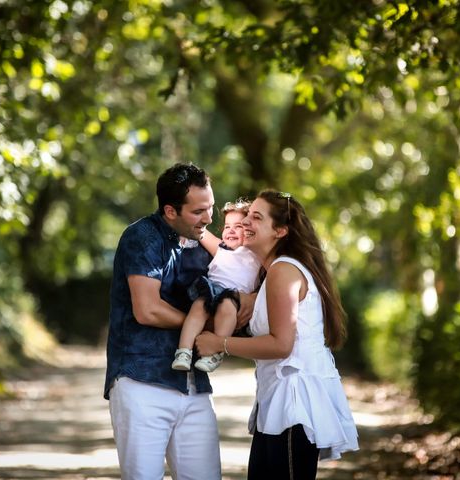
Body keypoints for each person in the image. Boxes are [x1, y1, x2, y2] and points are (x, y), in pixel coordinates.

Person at [195, 189, 359, 479]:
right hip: (276, 400)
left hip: (293, 405)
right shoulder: (274, 273)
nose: (245, 222)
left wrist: (219, 344)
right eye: (247, 215)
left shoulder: (283, 270)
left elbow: (281, 345)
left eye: (256, 217)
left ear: (280, 230)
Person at [103, 163, 253, 480]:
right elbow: (148, 309)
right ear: (171, 210)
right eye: (199, 211)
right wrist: (202, 327)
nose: (209, 218)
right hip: (143, 381)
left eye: (211, 207)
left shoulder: (201, 240)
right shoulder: (141, 237)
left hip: (195, 387)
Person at [172, 198, 262, 373]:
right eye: (227, 226)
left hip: (234, 298)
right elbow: (202, 232)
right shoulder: (220, 249)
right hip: (211, 290)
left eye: (239, 226)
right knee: (198, 307)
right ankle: (184, 351)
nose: (231, 230)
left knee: (226, 309)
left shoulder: (255, 254)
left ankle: (215, 353)